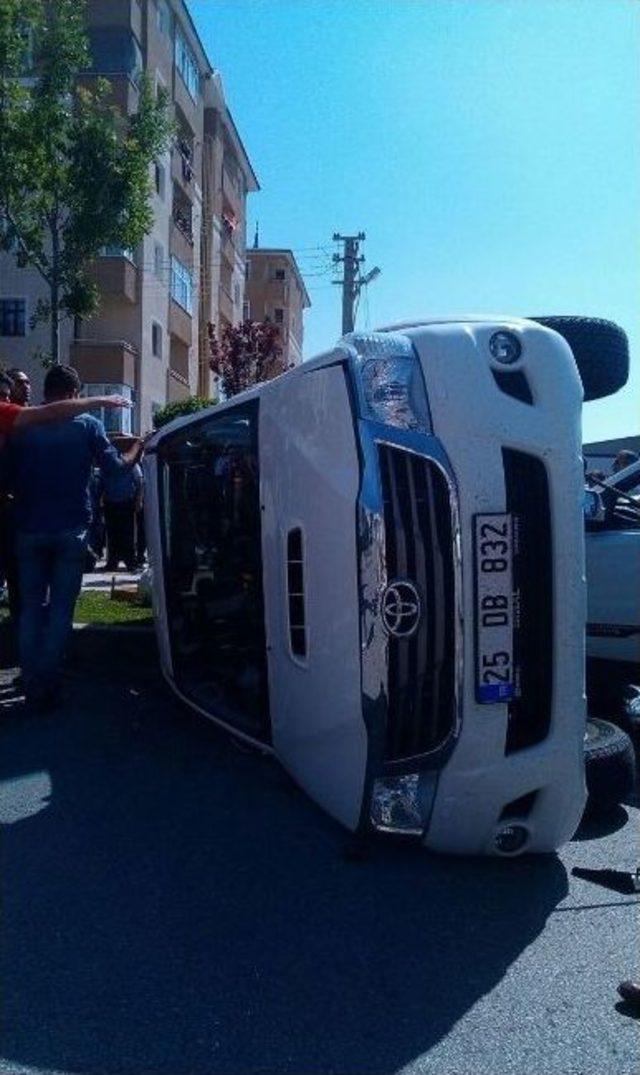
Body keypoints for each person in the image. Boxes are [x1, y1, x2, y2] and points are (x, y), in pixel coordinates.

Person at [5, 366, 141, 708]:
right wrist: (137, 448)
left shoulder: (22, 426)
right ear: (73, 393)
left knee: (31, 610)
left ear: (46, 391)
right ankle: (46, 685)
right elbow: (114, 470)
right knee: (61, 610)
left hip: (28, 528)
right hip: (71, 529)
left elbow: (6, 478)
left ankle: (31, 679)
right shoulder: (88, 426)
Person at [100, 440, 144, 572]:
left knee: (128, 534)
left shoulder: (130, 464)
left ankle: (130, 561)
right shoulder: (107, 465)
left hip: (127, 503)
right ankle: (112, 562)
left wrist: (138, 501)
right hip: (110, 503)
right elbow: (102, 483)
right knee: (112, 535)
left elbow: (140, 482)